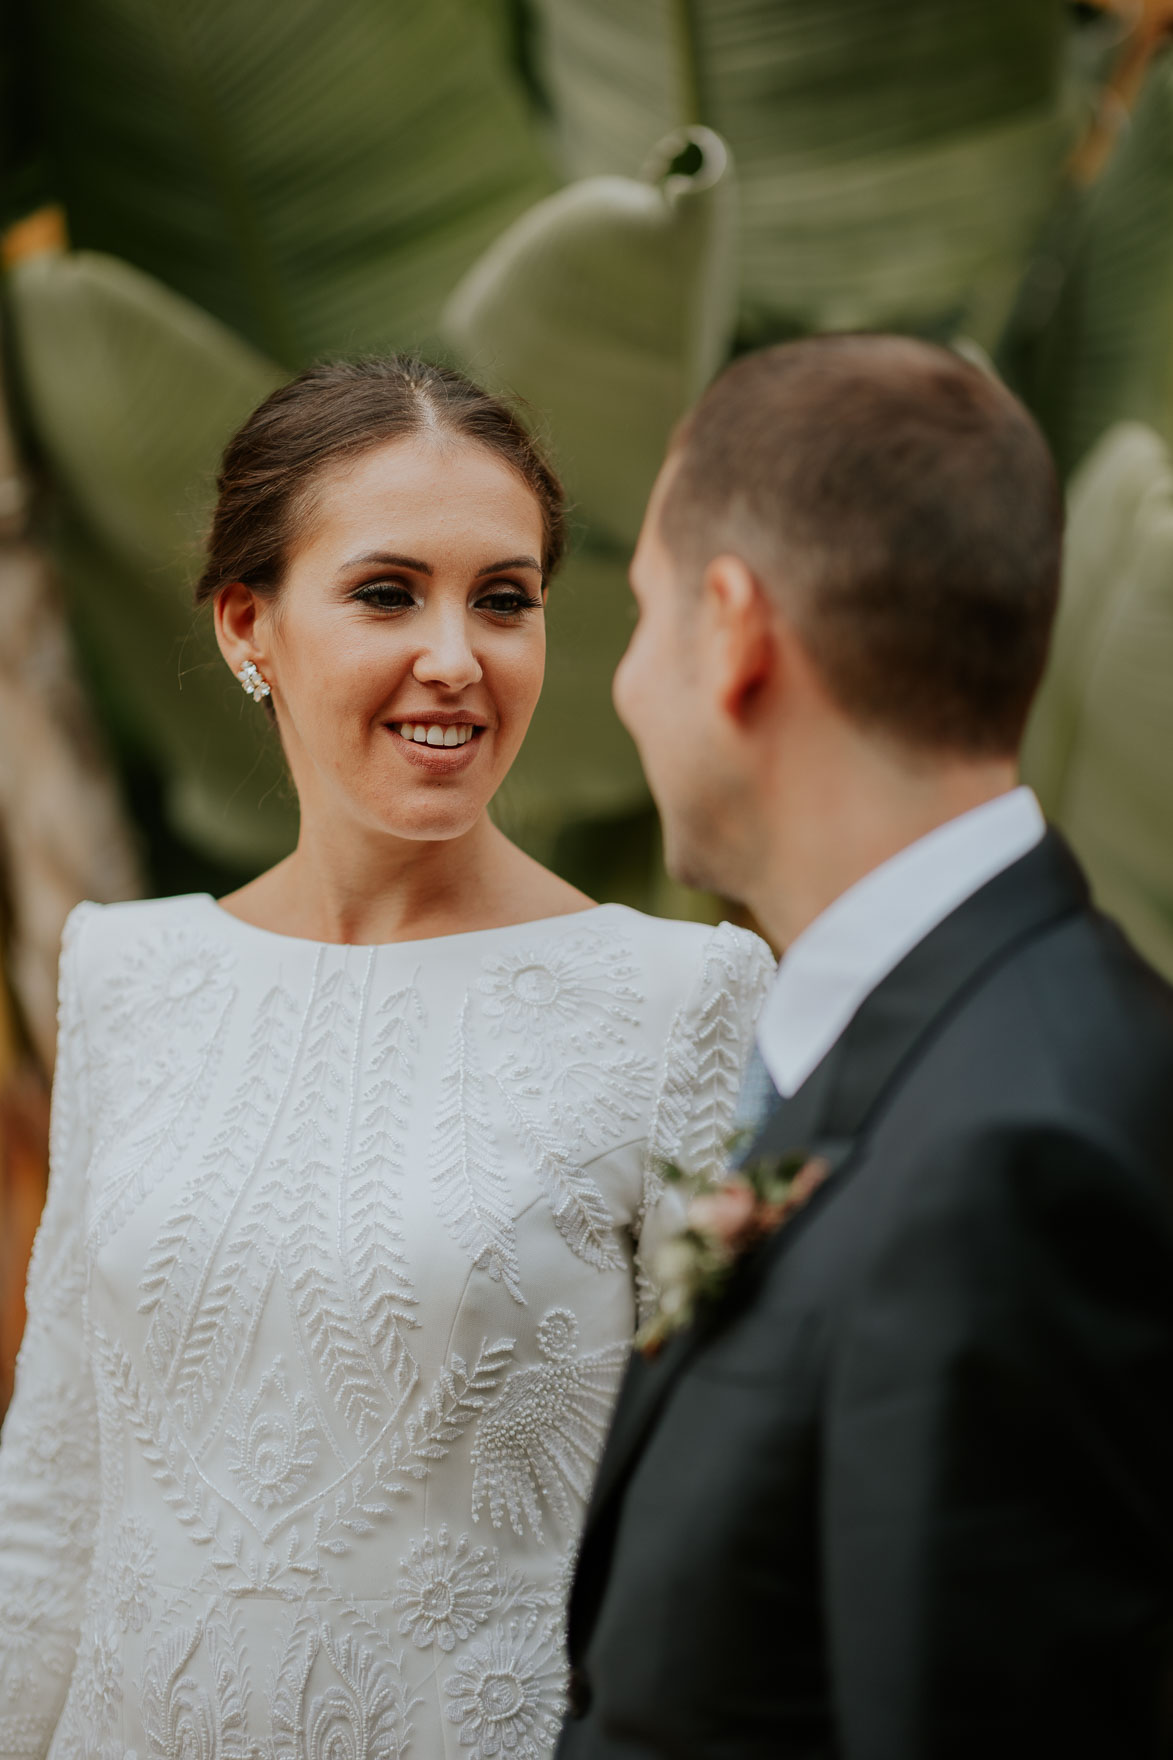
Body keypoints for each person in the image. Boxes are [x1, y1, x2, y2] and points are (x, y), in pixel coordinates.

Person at [0, 357, 774, 1760]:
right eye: (384, 591)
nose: (455, 657)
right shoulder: (131, 974)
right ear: (249, 623)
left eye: (504, 597)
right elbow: (54, 1491)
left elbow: (726, 1534)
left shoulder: (681, 1001)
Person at [557, 335, 1173, 1759]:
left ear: (734, 631)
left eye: (644, 616)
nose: (624, 683)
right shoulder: (924, 1044)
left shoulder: (1015, 1156)